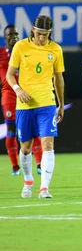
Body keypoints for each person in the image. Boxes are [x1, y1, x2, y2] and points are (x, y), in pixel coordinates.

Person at [6, 16, 65, 199]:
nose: (42, 38)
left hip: (47, 103)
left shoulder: (55, 49)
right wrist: (18, 90)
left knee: (48, 144)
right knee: (25, 148)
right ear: (32, 30)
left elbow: (59, 78)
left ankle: (44, 188)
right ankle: (28, 181)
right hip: (25, 105)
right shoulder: (21, 47)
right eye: (39, 34)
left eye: (45, 35)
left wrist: (61, 103)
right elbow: (10, 75)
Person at [0, 25, 43, 175]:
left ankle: (39, 164)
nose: (14, 37)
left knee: (33, 128)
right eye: (10, 34)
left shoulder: (26, 50)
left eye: (16, 34)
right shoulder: (0, 54)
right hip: (10, 95)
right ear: (4, 37)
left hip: (27, 94)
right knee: (11, 130)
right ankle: (15, 166)